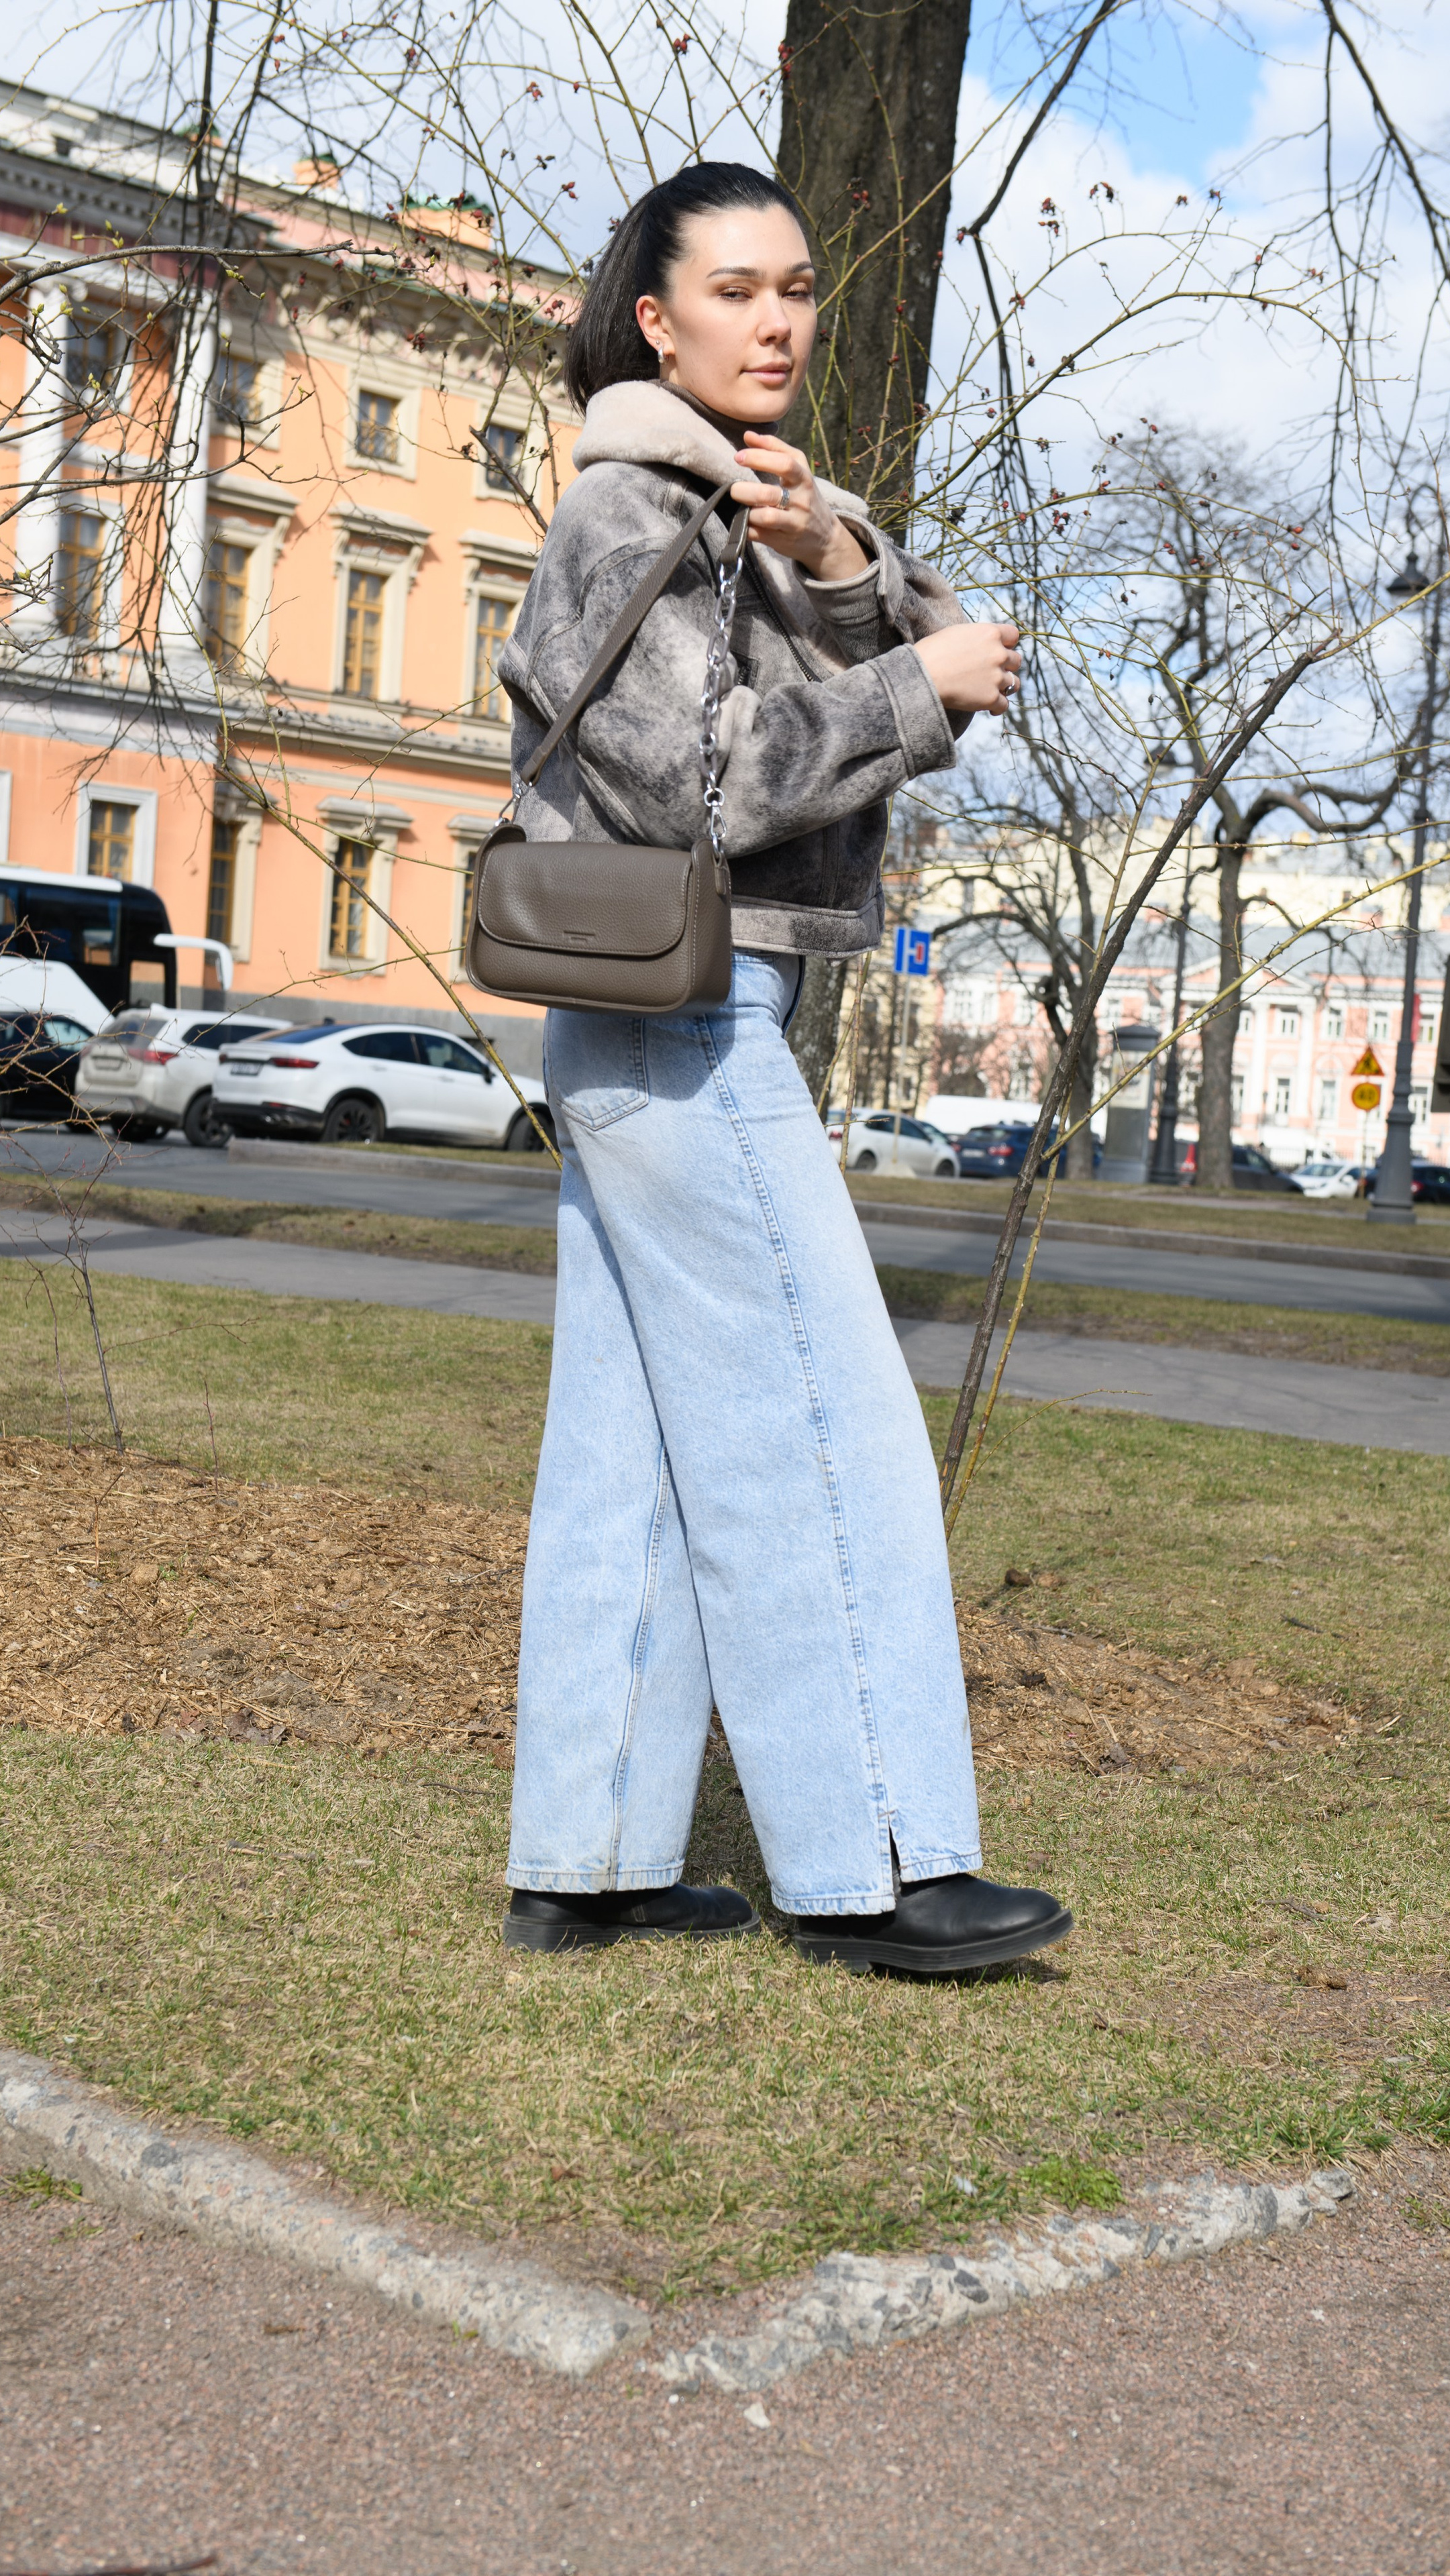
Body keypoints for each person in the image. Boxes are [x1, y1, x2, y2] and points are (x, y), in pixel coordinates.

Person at [497, 160, 1070, 1974]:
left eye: (798, 287)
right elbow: (709, 784)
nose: (777, 320)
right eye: (735, 290)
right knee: (825, 1420)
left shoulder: (750, 503)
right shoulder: (630, 509)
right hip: (680, 1015)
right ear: (654, 319)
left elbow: (920, 646)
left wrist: (835, 559)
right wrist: (911, 684)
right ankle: (877, 1858)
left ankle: (586, 1858)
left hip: (670, 1012)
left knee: (639, 1448)